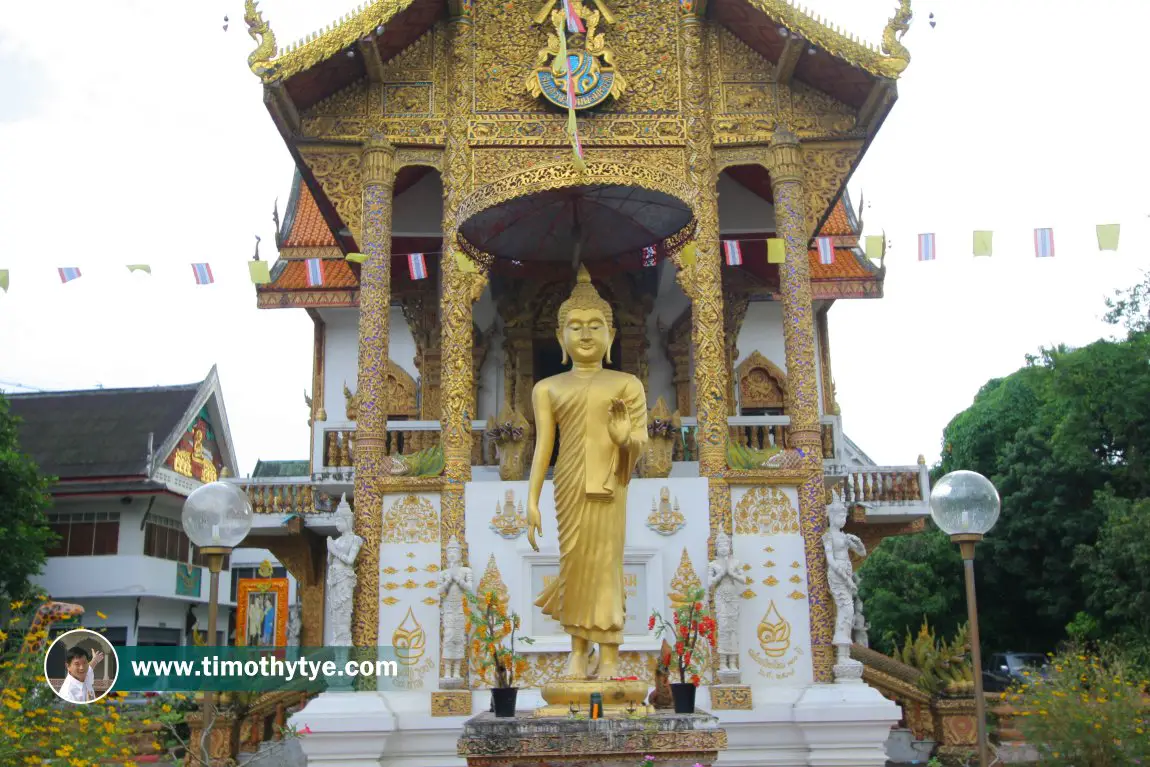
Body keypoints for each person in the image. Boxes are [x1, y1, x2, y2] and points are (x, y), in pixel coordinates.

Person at [527, 265, 648, 680]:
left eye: (595, 325)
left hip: (610, 486)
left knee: (606, 567)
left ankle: (610, 657)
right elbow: (544, 446)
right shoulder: (548, 388)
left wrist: (623, 437)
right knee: (575, 566)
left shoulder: (627, 383)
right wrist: (531, 500)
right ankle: (578, 653)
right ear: (561, 337)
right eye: (575, 327)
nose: (585, 334)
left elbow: (641, 443)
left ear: (611, 336)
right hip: (569, 486)